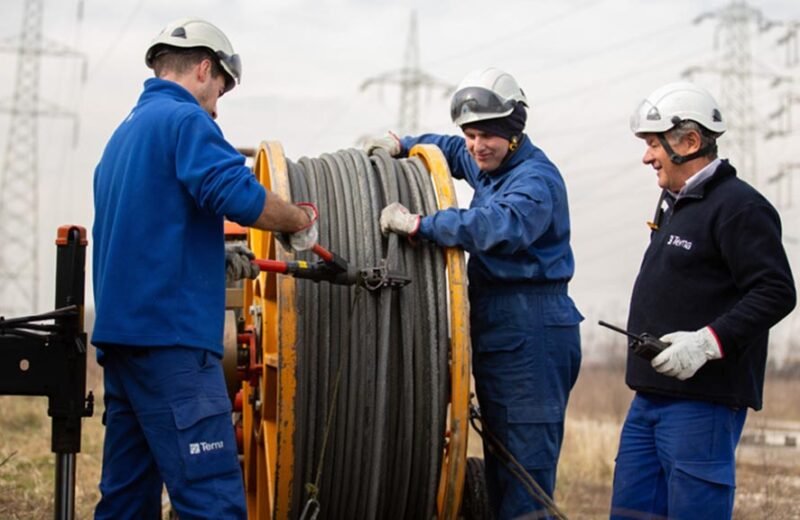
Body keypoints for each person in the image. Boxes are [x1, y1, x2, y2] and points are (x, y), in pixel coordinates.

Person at [91, 18, 318, 519]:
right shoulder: (186, 121)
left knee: (126, 502)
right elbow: (236, 194)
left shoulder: (120, 140)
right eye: (220, 90)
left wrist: (215, 259)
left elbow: (149, 233)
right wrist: (296, 222)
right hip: (173, 351)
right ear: (202, 69)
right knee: (212, 502)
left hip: (124, 347)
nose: (217, 105)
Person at [368, 67, 582, 519]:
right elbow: (447, 151)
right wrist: (405, 143)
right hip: (503, 327)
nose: (475, 145)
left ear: (513, 132)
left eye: (487, 135)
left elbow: (493, 226)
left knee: (526, 475)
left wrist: (422, 225)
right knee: (503, 461)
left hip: (534, 329)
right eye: (470, 134)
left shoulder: (534, 182)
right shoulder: (488, 162)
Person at [610, 81, 796, 519]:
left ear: (690, 141)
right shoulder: (673, 202)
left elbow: (776, 292)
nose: (646, 156)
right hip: (649, 399)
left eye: (654, 144)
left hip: (702, 404)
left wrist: (706, 342)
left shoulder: (740, 207)